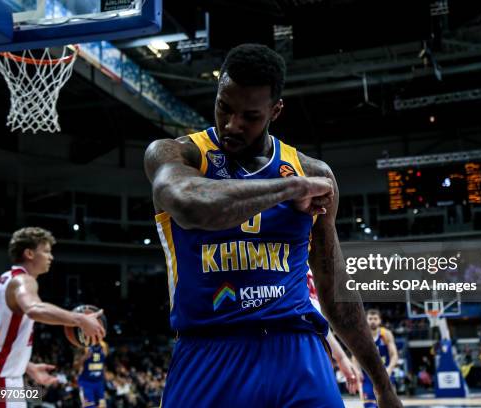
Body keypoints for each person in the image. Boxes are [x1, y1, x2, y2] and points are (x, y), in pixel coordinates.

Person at [144, 43, 402, 407]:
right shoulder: (176, 154)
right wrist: (290, 188)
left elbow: (334, 289)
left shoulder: (313, 172)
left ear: (275, 110)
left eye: (249, 116)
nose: (232, 124)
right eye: (224, 108)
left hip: (297, 349)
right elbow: (191, 206)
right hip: (208, 350)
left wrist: (383, 385)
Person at [0, 227, 106, 408]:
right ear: (29, 253)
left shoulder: (3, 280)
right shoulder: (23, 281)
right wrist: (79, 319)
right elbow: (34, 309)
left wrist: (27, 366)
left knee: (37, 396)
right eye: (46, 251)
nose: (51, 257)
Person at [354, 309, 399, 408]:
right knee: (369, 405)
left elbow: (394, 355)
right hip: (367, 375)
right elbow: (355, 357)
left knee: (389, 404)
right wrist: (358, 373)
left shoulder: (385, 334)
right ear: (365, 320)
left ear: (380, 321)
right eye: (370, 319)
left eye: (375, 319)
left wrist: (390, 369)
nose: (373, 321)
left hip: (385, 374)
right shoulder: (361, 335)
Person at [76, 341, 109, 408]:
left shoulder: (104, 346)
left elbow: (103, 363)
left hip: (99, 382)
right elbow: (75, 366)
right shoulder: (83, 347)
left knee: (102, 405)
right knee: (89, 406)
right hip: (86, 383)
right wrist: (84, 357)